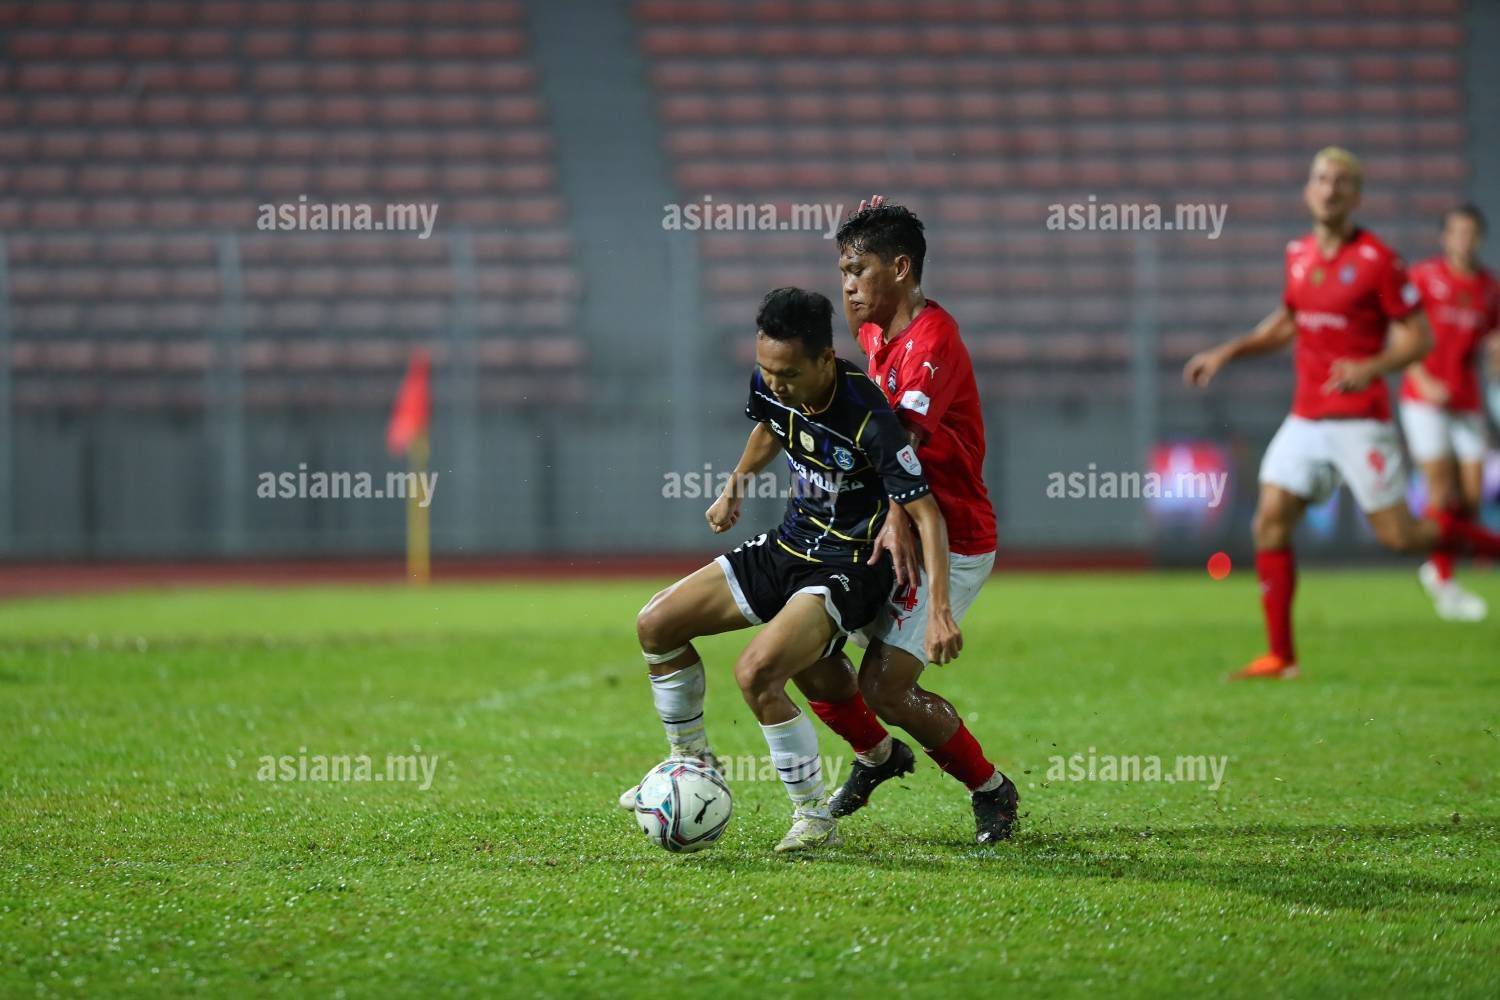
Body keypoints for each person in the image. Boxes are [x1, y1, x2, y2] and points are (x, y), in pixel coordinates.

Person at [622, 286, 962, 852]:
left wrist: (940, 613)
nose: (774, 383)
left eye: (787, 373)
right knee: (655, 624)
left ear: (825, 360)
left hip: (853, 564)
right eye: (765, 369)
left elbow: (928, 516)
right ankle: (692, 764)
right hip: (791, 543)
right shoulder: (772, 383)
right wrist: (734, 487)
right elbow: (771, 426)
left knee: (757, 672)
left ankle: (813, 817)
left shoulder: (869, 418)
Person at [1184, 148, 1500, 680]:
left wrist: (1372, 365)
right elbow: (1287, 323)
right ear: (1308, 190)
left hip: (1359, 419)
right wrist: (1228, 351)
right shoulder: (1298, 254)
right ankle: (1281, 657)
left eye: (1341, 182)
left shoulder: (1379, 260)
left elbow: (1418, 338)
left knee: (1400, 537)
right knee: (1269, 521)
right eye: (1321, 179)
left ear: (1356, 196)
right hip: (1307, 416)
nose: (1329, 189)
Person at [789, 199, 1018, 844]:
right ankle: (876, 757)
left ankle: (990, 788)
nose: (847, 283)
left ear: (901, 267)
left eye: (859, 268)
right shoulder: (873, 335)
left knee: (887, 686)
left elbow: (905, 450)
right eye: (842, 269)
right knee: (803, 652)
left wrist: (892, 513)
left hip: (950, 534)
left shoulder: (934, 341)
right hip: (882, 532)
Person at [1398, 204, 1498, 621]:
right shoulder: (1423, 277)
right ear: (1445, 237)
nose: (1464, 240)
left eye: (1471, 233)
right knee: (1441, 491)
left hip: (1466, 398)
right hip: (1424, 399)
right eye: (1457, 232)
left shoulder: (1490, 287)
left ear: (1480, 238)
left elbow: (1493, 341)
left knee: (1471, 498)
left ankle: (1436, 569)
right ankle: (1442, 577)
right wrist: (1421, 378)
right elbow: (1403, 330)